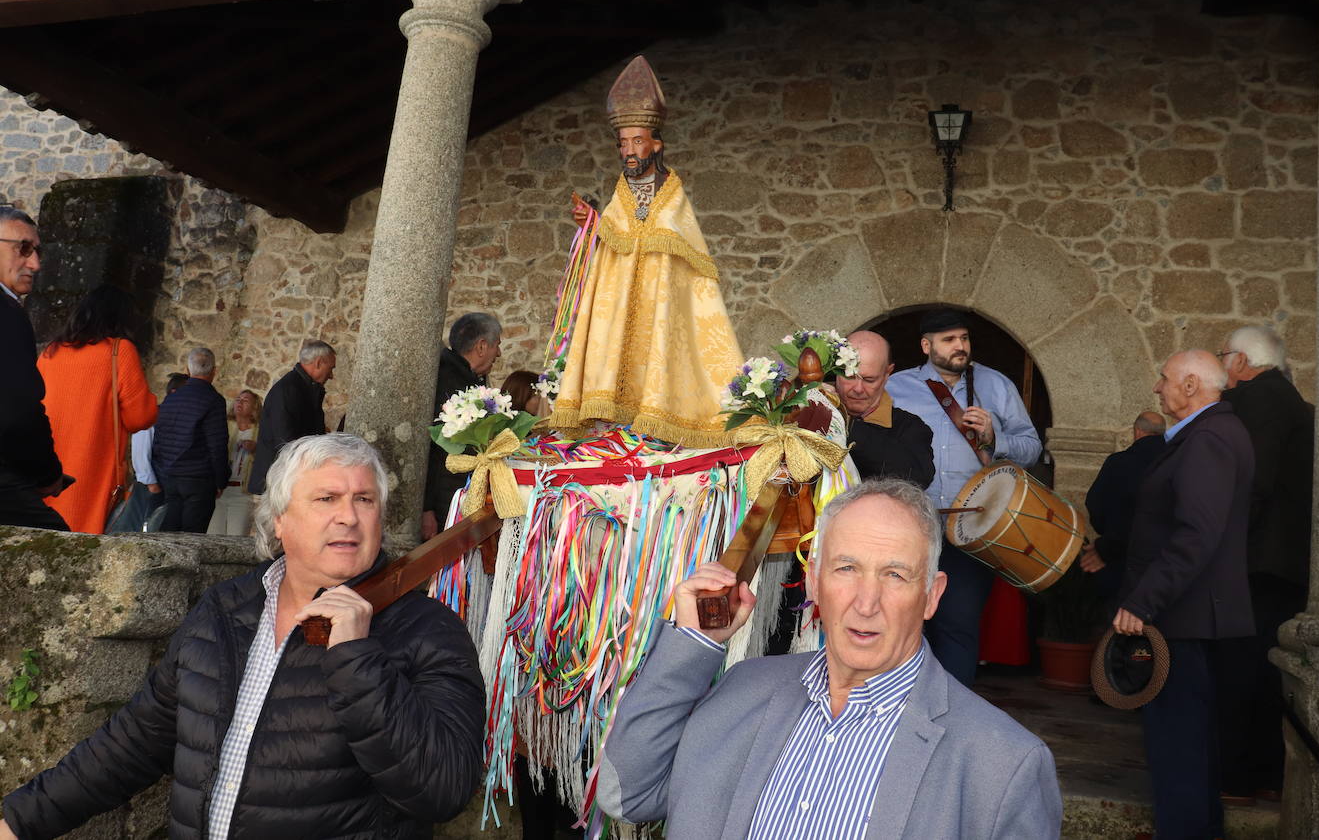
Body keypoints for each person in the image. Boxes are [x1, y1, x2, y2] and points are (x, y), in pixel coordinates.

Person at [0, 433, 486, 839]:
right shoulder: (223, 611)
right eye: (326, 499)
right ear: (279, 521)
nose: (349, 516)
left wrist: (357, 658)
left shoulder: (426, 629)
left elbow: (441, 790)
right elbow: (135, 743)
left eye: (364, 499)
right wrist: (18, 822)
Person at [598, 477, 1061, 838]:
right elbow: (626, 794)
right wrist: (694, 645)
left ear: (931, 595)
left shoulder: (1004, 762)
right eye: (846, 568)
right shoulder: (743, 688)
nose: (866, 602)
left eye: (895, 575)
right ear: (815, 581)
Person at [548, 55, 744, 448]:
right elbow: (613, 249)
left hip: (661, 310)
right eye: (623, 143)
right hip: (619, 320)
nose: (629, 151)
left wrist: (618, 233)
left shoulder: (673, 198)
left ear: (657, 143)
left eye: (638, 141)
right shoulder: (618, 200)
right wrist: (592, 226)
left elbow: (672, 243)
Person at [1114, 350, 1254, 839]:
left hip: (1184, 616)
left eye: (1165, 378)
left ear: (1191, 385)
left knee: (1178, 746)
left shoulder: (1209, 438)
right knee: (1191, 745)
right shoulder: (1211, 433)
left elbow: (1196, 534)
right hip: (1190, 614)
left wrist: (1141, 602)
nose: (1158, 387)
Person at [886, 309, 1041, 686]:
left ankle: (953, 713)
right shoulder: (895, 387)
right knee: (902, 622)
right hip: (911, 527)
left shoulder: (997, 385)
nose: (960, 347)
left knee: (959, 625)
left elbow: (1032, 448)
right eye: (949, 340)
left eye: (964, 338)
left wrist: (994, 436)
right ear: (926, 346)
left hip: (970, 530)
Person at [1215, 326, 1314, 803]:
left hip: (1256, 562)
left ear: (1241, 362)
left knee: (1242, 671)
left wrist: (1220, 543)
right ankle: (1266, 775)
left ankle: (1238, 776)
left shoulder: (1258, 400)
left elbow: (1251, 483)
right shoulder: (1296, 403)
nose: (1222, 367)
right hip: (1286, 563)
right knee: (1266, 672)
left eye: (1224, 356)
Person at [36, 284, 158, 534]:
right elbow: (141, 417)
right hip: (91, 476)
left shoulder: (50, 352)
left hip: (45, 477)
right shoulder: (119, 351)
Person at [0, 206, 71, 530]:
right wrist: (47, 474)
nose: (35, 263)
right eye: (23, 249)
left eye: (37, 251)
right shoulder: (7, 312)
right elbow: (17, 412)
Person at [422, 313, 501, 539]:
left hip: (458, 493)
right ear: (482, 346)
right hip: (442, 501)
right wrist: (426, 508)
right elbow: (429, 447)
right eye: (497, 345)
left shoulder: (468, 379)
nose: (499, 353)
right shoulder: (446, 380)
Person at [1079, 410, 1167, 600]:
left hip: (1118, 562)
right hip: (1161, 565)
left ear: (1137, 431)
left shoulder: (1118, 462)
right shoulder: (1175, 461)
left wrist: (1106, 536)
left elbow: (1095, 505)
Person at [836, 330, 935, 488]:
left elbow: (917, 477)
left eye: (869, 380)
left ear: (887, 374)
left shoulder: (910, 426)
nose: (858, 388)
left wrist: (840, 424)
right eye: (849, 376)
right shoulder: (813, 406)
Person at [152, 348, 230, 533]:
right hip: (199, 479)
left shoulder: (171, 399)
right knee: (192, 537)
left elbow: (159, 440)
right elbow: (217, 444)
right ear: (214, 371)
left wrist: (163, 472)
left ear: (187, 370)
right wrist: (221, 480)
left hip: (171, 476)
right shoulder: (213, 400)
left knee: (169, 532)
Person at [248, 340, 335, 496]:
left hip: (288, 479)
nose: (332, 375)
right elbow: (286, 441)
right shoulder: (289, 390)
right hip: (282, 482)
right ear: (319, 363)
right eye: (330, 369)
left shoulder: (302, 389)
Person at [111, 372, 190, 534]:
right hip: (150, 486)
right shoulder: (154, 415)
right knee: (139, 528)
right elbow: (140, 450)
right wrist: (151, 483)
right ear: (174, 393)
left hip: (165, 486)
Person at [207, 389, 261, 538]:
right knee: (212, 537)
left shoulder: (259, 431)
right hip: (220, 490)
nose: (239, 402)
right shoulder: (224, 425)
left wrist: (256, 449)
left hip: (242, 493)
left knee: (236, 537)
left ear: (254, 407)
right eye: (238, 399)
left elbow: (267, 457)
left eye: (245, 400)